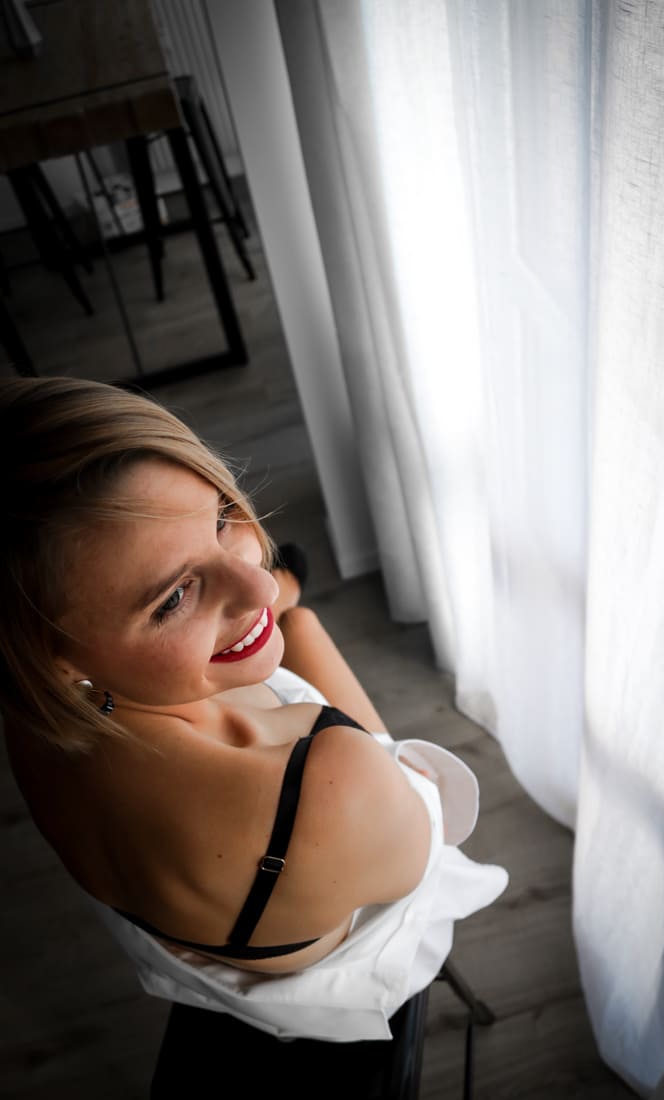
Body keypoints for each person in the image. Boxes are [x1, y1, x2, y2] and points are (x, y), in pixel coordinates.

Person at [0, 375, 507, 1042]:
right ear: (58, 661)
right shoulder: (327, 790)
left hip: (206, 935)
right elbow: (419, 850)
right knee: (305, 641)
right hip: (338, 926)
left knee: (286, 619)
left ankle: (291, 605)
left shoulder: (31, 696)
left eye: (219, 519)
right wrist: (357, 766)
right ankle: (301, 607)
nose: (255, 582)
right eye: (172, 597)